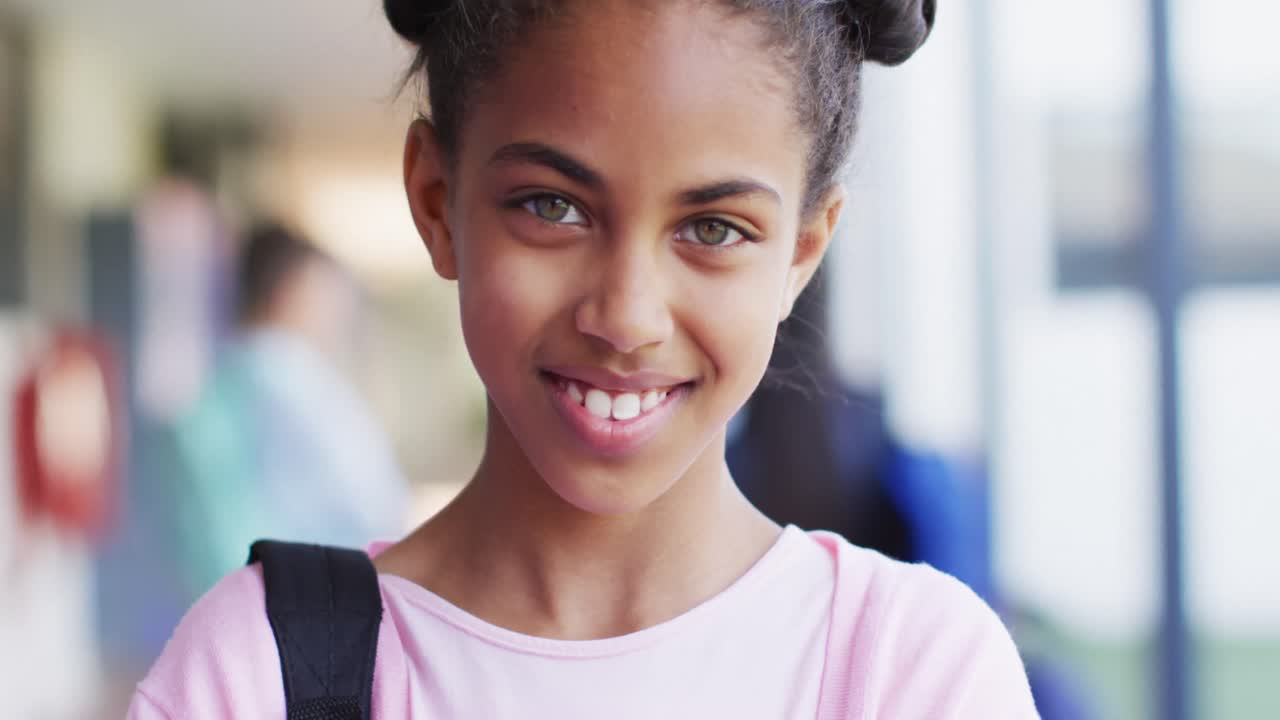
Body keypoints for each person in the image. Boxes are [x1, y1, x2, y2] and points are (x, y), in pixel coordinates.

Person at [129, 0, 1039, 717]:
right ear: (438, 202)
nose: (626, 318)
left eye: (714, 229)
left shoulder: (913, 673)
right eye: (552, 207)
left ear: (801, 254)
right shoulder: (254, 675)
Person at [168, 224, 409, 598]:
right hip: (312, 598)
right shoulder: (291, 378)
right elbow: (372, 503)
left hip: (242, 600)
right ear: (290, 291)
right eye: (325, 293)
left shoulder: (216, 386)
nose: (337, 313)